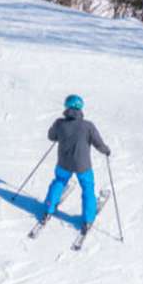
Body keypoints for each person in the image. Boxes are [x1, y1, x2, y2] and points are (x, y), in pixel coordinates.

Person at [38, 94, 111, 233]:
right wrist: (106, 151)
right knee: (87, 188)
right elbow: (98, 144)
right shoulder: (88, 126)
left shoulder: (59, 123)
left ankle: (49, 208)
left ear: (67, 107)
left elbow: (51, 136)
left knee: (59, 182)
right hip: (82, 165)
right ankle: (88, 219)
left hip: (63, 163)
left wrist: (60, 132)